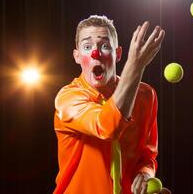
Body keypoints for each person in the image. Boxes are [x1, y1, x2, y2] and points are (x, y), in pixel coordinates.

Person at [53, 15, 167, 194]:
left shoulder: (146, 95)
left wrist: (145, 174)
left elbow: (147, 155)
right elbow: (107, 127)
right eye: (87, 46)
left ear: (118, 53)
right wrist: (135, 66)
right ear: (77, 56)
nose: (95, 53)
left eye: (105, 46)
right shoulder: (68, 98)